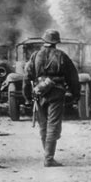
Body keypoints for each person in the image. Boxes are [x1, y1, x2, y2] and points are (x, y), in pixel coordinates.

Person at [23, 29, 80, 167]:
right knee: (53, 124)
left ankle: (47, 155)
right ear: (56, 42)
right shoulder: (62, 56)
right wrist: (75, 95)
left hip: (39, 92)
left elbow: (26, 77)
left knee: (43, 125)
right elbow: (73, 77)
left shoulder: (35, 56)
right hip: (56, 92)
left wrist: (27, 97)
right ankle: (49, 158)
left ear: (44, 41)